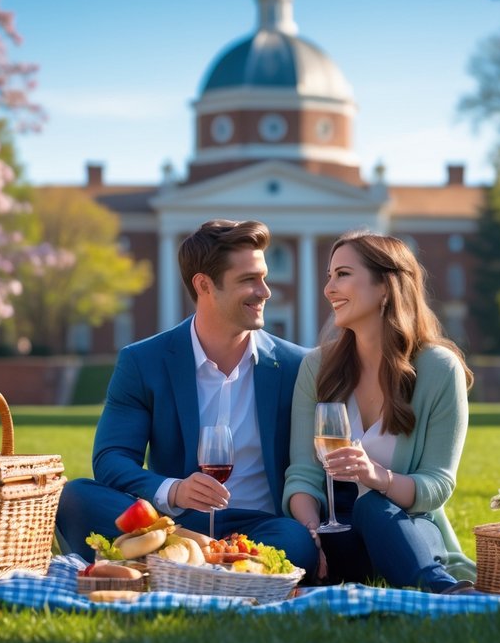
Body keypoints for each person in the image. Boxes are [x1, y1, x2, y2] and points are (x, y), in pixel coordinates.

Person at [56, 219, 317, 575]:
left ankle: (174, 564)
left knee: (296, 541)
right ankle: (201, 555)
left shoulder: (295, 366)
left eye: (264, 276)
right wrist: (174, 490)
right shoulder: (143, 361)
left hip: (260, 528)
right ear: (204, 284)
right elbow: (111, 458)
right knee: (74, 497)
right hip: (172, 521)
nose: (264, 291)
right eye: (248, 280)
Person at [284, 230, 477, 594]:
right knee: (304, 533)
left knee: (373, 507)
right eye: (329, 276)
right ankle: (441, 593)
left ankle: (445, 592)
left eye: (342, 274)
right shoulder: (318, 367)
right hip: (335, 537)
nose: (329, 289)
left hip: (405, 527)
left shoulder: (438, 369)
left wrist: (378, 477)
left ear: (385, 288)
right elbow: (302, 476)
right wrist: (311, 534)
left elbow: (437, 485)